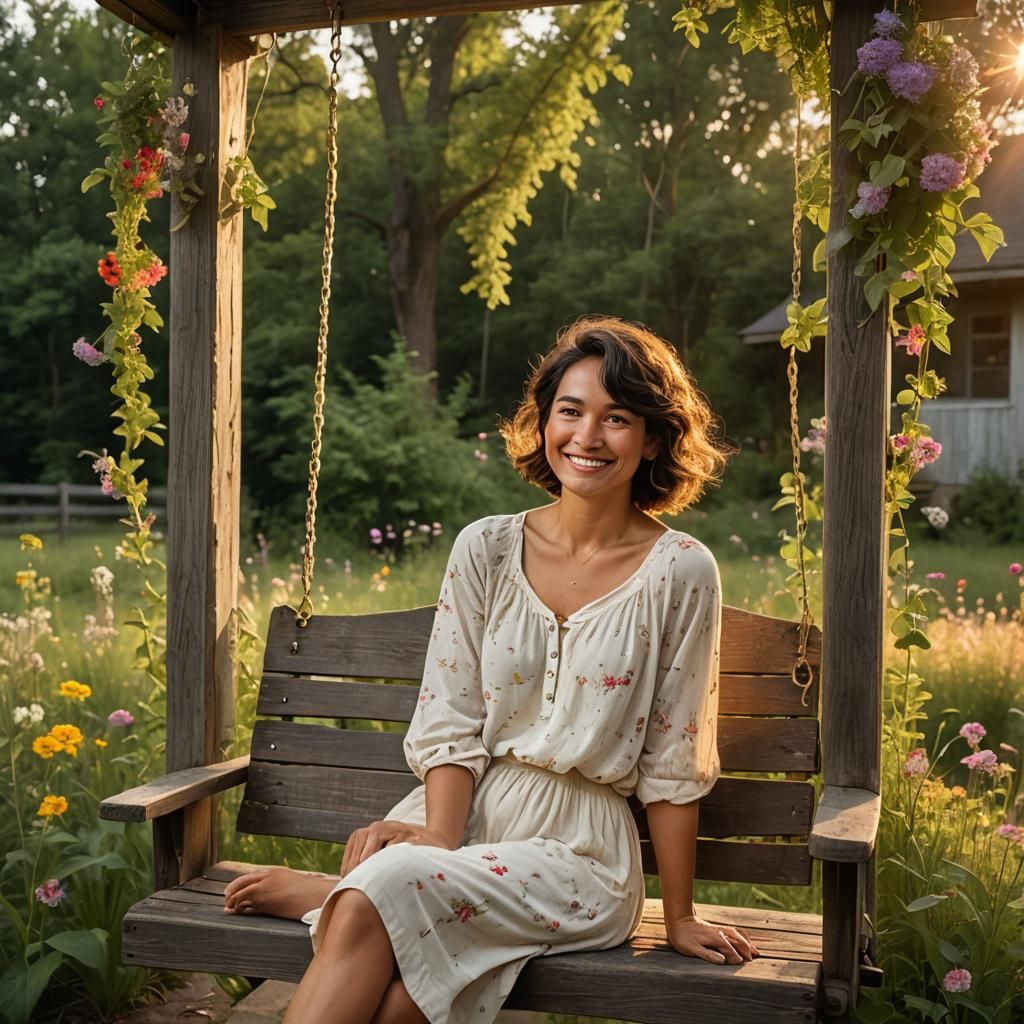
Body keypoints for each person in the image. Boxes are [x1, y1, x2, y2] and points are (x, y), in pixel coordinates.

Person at [223, 315, 758, 1024]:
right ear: (543, 424)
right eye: (569, 411)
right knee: (396, 999)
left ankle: (332, 894)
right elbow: (449, 714)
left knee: (377, 895)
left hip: (579, 853)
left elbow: (674, 755)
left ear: (654, 438)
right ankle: (345, 892)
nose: (587, 437)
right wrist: (441, 835)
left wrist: (680, 916)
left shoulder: (681, 570)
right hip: (462, 818)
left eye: (617, 418)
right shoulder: (488, 549)